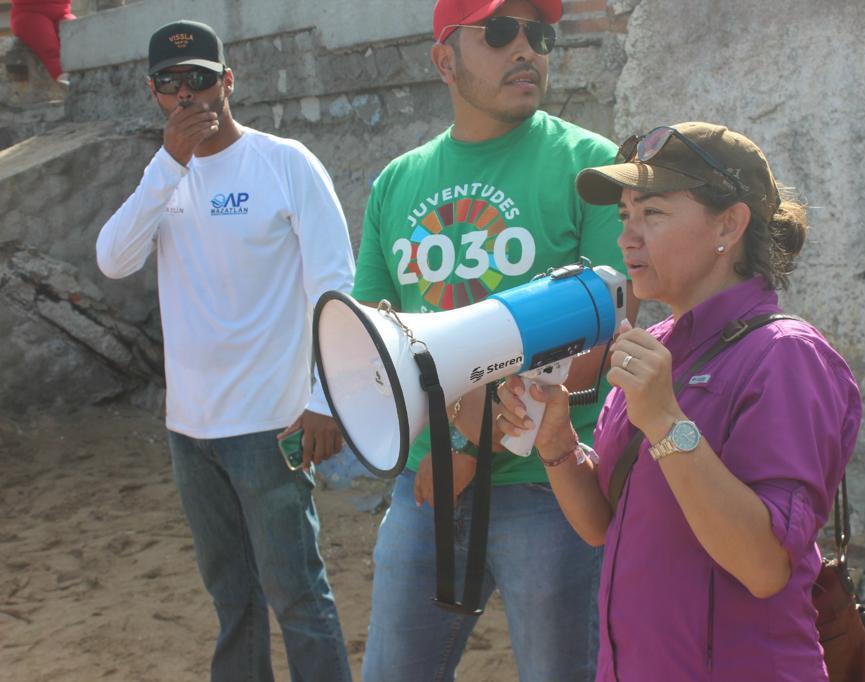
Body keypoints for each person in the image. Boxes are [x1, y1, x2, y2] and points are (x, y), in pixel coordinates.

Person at [496, 122, 863, 680]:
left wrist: (667, 422)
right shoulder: (658, 348)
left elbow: (764, 567)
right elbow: (604, 526)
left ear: (729, 224)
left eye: (654, 213)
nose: (626, 237)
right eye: (624, 216)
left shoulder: (786, 357)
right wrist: (557, 444)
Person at [350, 1, 637, 680]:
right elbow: (371, 335)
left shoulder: (591, 166)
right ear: (444, 59)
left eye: (539, 35)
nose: (528, 50)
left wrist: (473, 438)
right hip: (430, 487)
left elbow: (604, 333)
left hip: (551, 489)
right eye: (501, 32)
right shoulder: (396, 183)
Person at [95, 19, 355, 682]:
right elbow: (112, 260)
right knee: (231, 601)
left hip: (272, 426)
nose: (188, 97)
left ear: (228, 81)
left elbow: (336, 288)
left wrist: (325, 399)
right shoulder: (162, 178)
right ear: (152, 92)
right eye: (171, 84)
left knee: (298, 596)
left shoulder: (286, 162)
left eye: (201, 79)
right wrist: (168, 165)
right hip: (190, 432)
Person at [9, 0, 74, 82]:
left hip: (63, 12)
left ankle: (81, 72)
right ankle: (61, 74)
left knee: (77, 34)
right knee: (47, 43)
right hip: (30, 13)